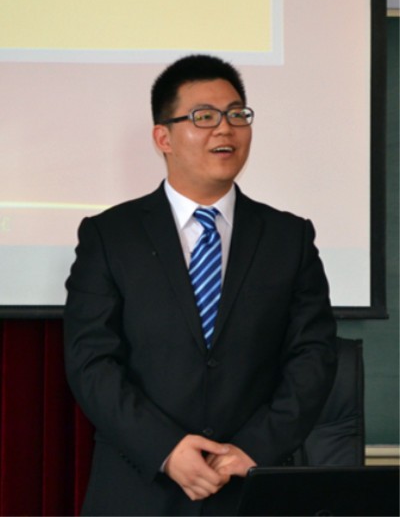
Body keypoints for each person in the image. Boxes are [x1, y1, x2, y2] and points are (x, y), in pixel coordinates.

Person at [64, 54, 337, 516]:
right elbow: (91, 362)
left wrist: (254, 449)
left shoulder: (289, 238)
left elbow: (313, 355)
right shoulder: (110, 236)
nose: (225, 129)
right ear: (163, 137)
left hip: (251, 486)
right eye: (204, 117)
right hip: (139, 488)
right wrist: (166, 450)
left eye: (237, 115)